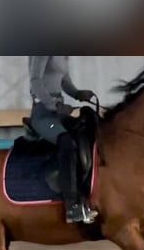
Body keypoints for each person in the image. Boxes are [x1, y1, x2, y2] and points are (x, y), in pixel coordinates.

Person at [28, 56, 99, 224]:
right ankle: (71, 207)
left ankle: (87, 194)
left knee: (87, 133)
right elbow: (35, 81)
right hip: (43, 112)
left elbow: (64, 80)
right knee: (67, 142)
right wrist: (54, 104)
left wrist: (77, 93)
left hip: (59, 112)